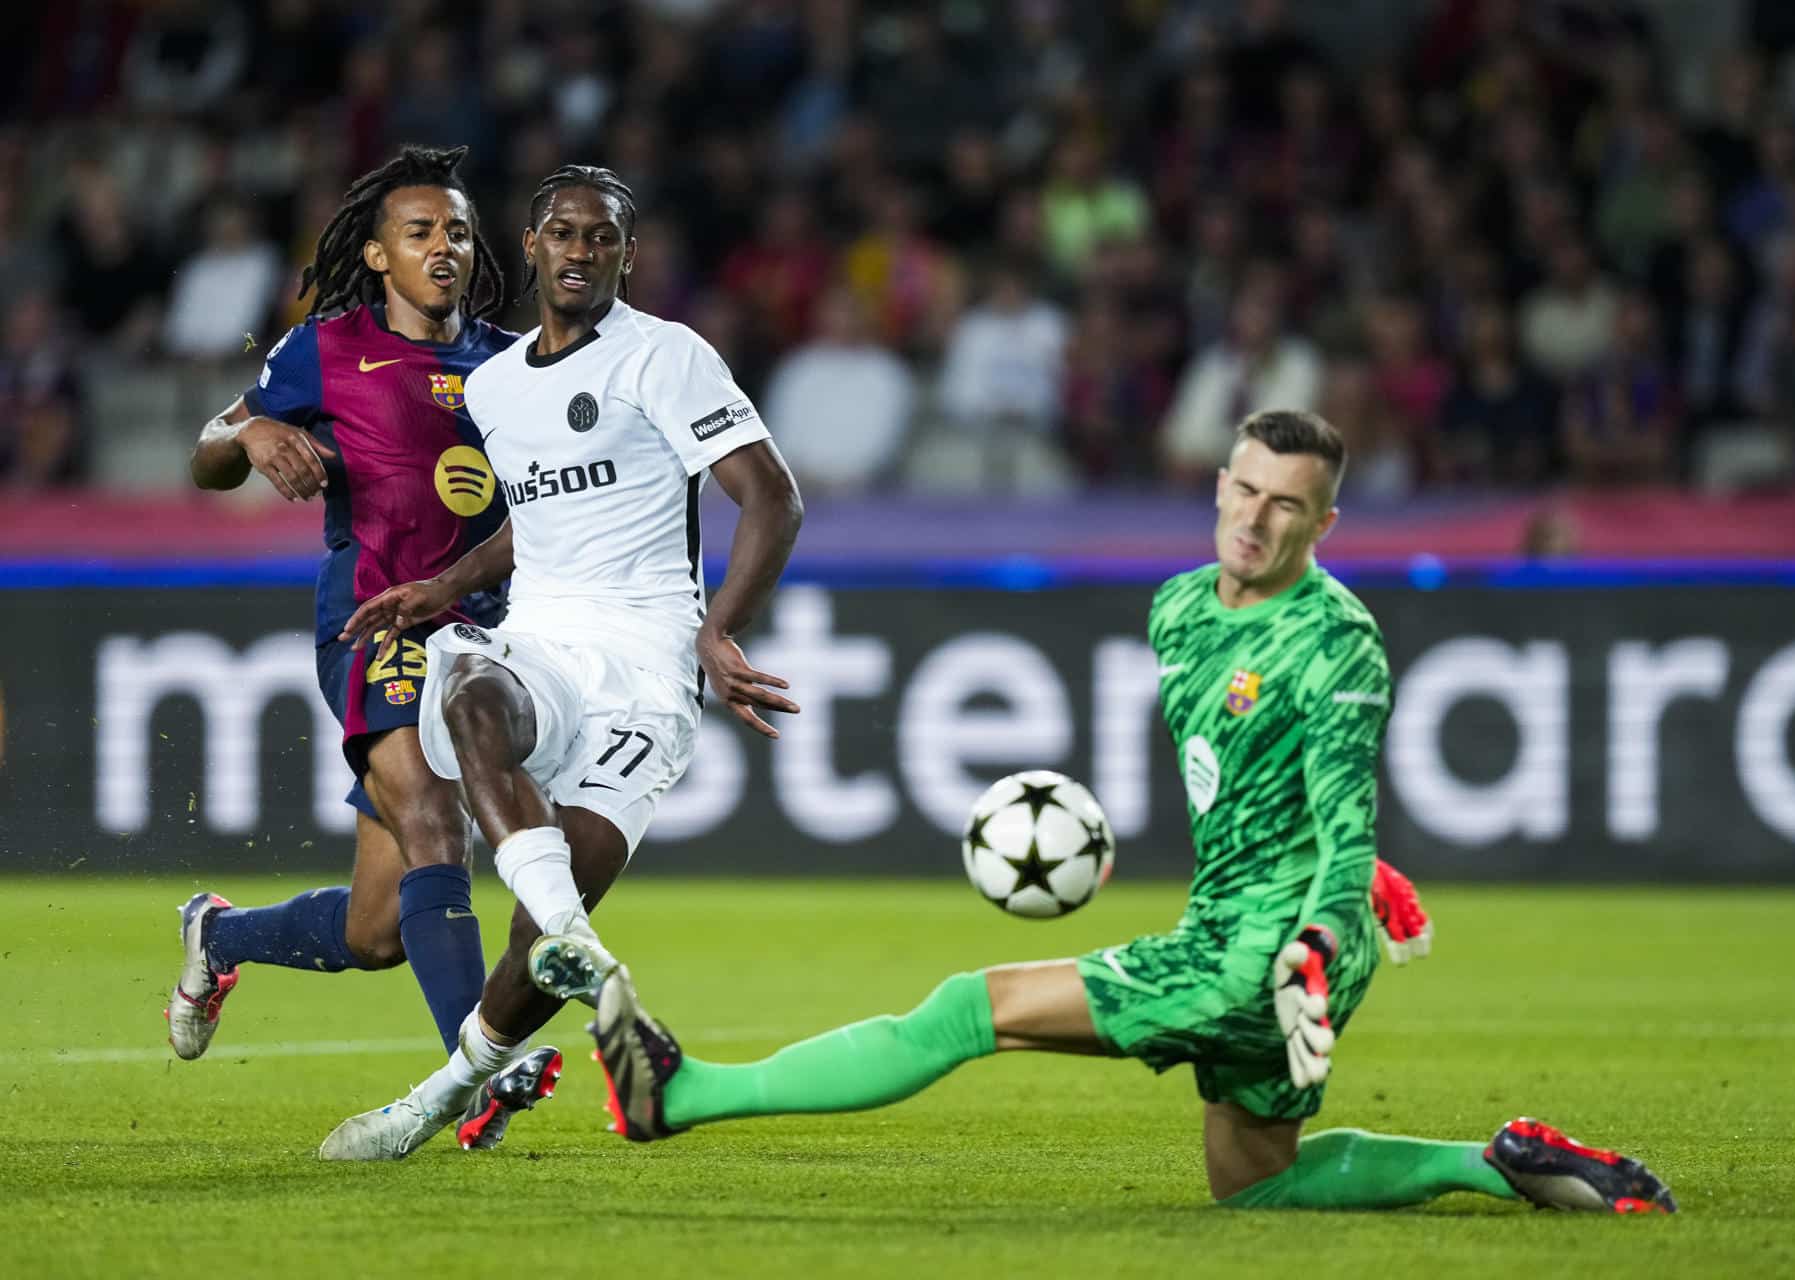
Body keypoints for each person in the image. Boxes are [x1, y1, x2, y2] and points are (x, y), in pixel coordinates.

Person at [580, 411, 1676, 1216]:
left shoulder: (1336, 643)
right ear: (1219, 482)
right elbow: (1265, 786)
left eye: (1288, 503)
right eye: (1246, 489)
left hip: (1269, 953)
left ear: (1326, 520)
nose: (1257, 517)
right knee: (1257, 1183)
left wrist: (1327, 923)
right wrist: (1352, 887)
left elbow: (1342, 810)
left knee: (969, 1006)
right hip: (1260, 936)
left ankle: (680, 1094)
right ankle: (1495, 1160)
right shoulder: (1180, 610)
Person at [315, 165, 805, 1160]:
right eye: (565, 234)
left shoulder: (666, 357)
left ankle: (442, 1090)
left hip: (648, 669)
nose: (582, 251)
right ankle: (577, 945)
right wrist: (446, 587)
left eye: (603, 238)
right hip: (542, 641)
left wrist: (721, 628)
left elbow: (773, 497)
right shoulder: (493, 388)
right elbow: (532, 523)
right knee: (467, 681)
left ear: (626, 253)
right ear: (531, 246)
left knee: (535, 945)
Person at [171, 145, 555, 1146]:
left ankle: (218, 932)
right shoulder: (326, 349)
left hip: (486, 629)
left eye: (459, 232)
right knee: (436, 818)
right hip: (375, 623)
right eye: (421, 231)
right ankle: (481, 1073)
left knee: (375, 930)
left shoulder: (517, 363)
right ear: (379, 254)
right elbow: (209, 455)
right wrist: (249, 436)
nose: (443, 247)